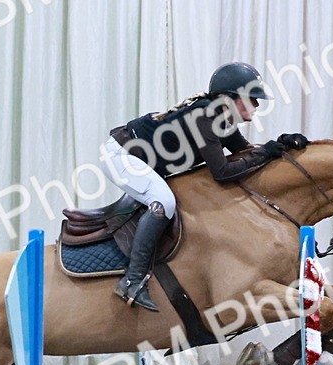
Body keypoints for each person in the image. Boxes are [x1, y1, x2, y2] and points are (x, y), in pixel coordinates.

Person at [102, 62, 309, 311]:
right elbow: (222, 173)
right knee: (164, 203)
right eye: (252, 99)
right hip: (122, 157)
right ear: (230, 98)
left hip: (137, 156)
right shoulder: (207, 117)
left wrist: (280, 146)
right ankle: (132, 281)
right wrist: (266, 152)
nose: (257, 105)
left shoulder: (220, 117)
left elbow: (244, 154)